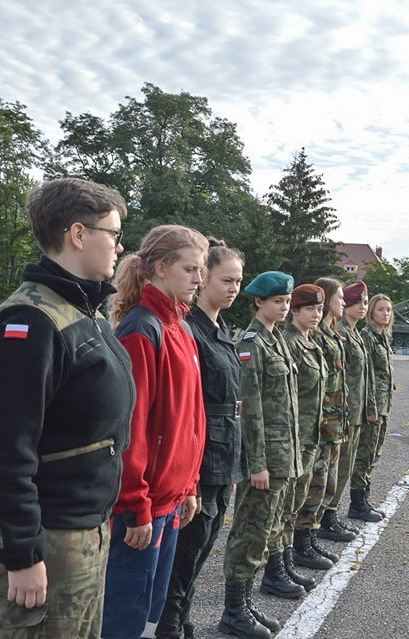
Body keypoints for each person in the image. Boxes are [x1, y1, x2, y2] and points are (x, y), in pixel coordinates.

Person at [0, 178, 134, 638]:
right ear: (78, 235)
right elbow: (2, 448)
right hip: (50, 536)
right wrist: (22, 554)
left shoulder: (85, 311)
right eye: (114, 234)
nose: (121, 246)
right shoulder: (32, 321)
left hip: (83, 530)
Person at [103, 224, 209, 639]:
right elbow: (131, 430)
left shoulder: (180, 328)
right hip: (142, 507)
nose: (199, 280)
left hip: (170, 500)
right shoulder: (142, 329)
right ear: (160, 269)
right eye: (191, 269)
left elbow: (189, 419)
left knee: (149, 613)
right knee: (122, 619)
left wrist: (190, 486)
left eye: (200, 270)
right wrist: (136, 505)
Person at [156, 239, 246, 639]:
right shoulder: (189, 330)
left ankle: (181, 617)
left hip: (224, 451)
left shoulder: (218, 328)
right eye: (226, 279)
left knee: (204, 541)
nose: (234, 288)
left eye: (239, 281)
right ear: (203, 275)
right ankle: (169, 624)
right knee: (187, 546)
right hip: (201, 452)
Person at [220, 271, 300, 639]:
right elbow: (249, 409)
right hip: (265, 459)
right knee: (249, 533)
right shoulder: (252, 343)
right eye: (277, 302)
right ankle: (233, 611)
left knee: (265, 531)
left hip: (284, 455)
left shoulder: (277, 340)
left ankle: (246, 604)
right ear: (259, 302)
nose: (284, 308)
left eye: (286, 302)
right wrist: (257, 464)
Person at [279, 284, 335, 577]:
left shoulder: (311, 343)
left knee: (299, 500)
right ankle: (283, 561)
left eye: (319, 309)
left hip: (310, 437)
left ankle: (291, 555)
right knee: (287, 506)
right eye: (309, 309)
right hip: (294, 439)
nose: (316, 314)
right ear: (295, 311)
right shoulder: (289, 344)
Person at [312, 277, 360, 544]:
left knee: (329, 480)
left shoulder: (332, 334)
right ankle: (306, 538)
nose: (343, 302)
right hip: (323, 421)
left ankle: (320, 525)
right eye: (339, 298)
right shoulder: (317, 335)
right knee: (316, 484)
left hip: (336, 418)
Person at [329, 281, 381, 523]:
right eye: (357, 302)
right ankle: (327, 516)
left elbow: (365, 376)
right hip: (345, 412)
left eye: (365, 302)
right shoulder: (341, 332)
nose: (363, 306)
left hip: (357, 411)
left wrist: (369, 407)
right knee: (338, 468)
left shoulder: (353, 333)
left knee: (347, 466)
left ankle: (331, 514)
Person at [356, 293, 396, 518]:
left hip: (384, 405)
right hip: (373, 407)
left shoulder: (383, 337)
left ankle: (365, 498)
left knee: (375, 452)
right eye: (381, 309)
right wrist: (370, 407)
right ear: (371, 312)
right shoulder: (367, 336)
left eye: (388, 310)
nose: (385, 313)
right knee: (365, 453)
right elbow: (367, 375)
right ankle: (357, 503)